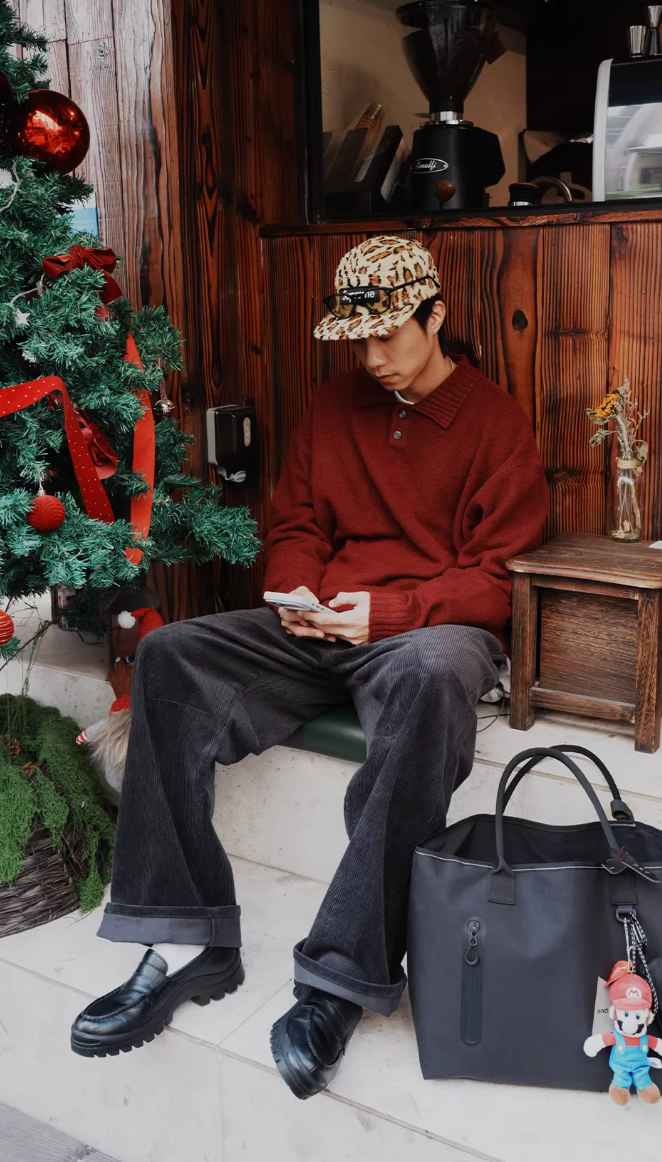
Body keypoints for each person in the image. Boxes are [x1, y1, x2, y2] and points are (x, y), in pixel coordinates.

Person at [70, 235, 549, 1099]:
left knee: (433, 679)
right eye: (358, 341)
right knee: (173, 654)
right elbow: (295, 525)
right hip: (318, 624)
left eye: (389, 336)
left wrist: (388, 613)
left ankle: (342, 975)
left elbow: (497, 579)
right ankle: (185, 936)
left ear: (437, 317)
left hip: (426, 633)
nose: (373, 358)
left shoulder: (497, 426)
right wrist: (295, 593)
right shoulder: (334, 408)